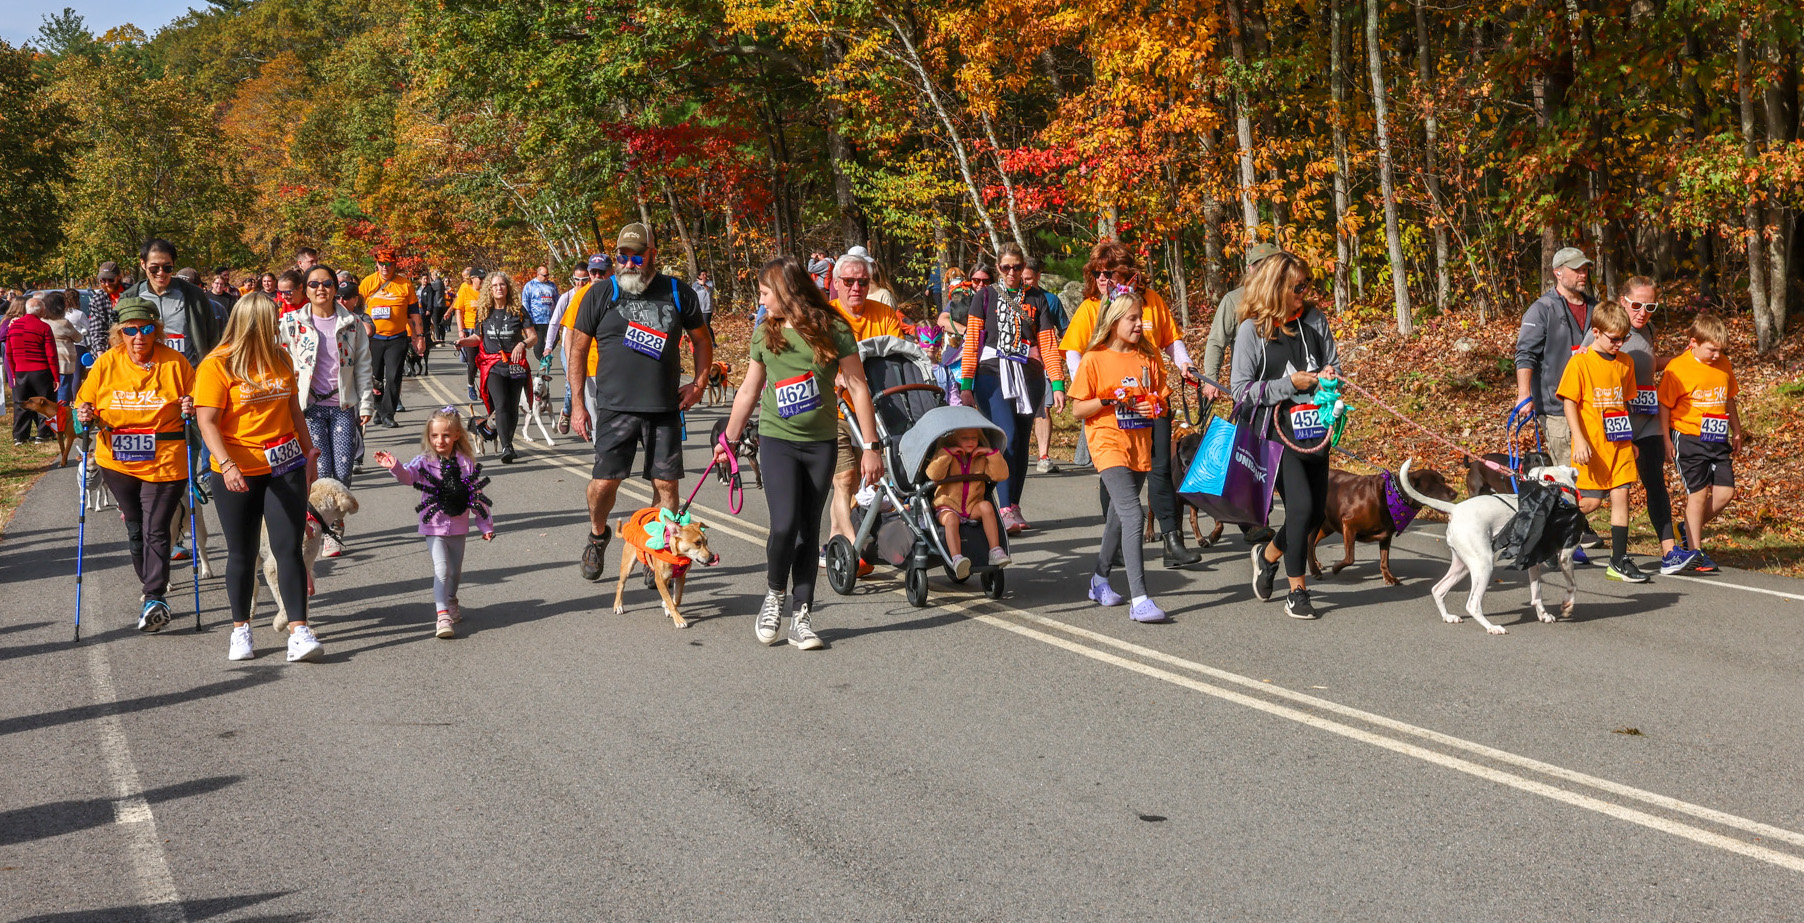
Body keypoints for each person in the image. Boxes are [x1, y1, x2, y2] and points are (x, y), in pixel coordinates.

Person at [712, 255, 881, 650]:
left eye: (766, 292)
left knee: (809, 529)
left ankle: (802, 614)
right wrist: (729, 442)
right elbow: (749, 391)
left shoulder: (834, 329)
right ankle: (774, 596)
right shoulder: (764, 335)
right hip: (778, 441)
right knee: (784, 525)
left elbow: (858, 388)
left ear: (787, 292)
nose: (762, 300)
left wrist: (871, 447)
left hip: (821, 444)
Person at [566, 223, 712, 582]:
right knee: (603, 485)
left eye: (636, 255)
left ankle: (657, 553)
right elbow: (578, 350)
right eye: (622, 256)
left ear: (652, 255)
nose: (629, 263)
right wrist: (577, 405)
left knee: (666, 489)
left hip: (664, 408)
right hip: (614, 407)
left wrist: (699, 383)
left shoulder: (678, 292)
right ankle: (598, 535)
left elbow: (702, 341)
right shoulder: (600, 293)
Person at [192, 293, 323, 663]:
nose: (277, 326)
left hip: (286, 466)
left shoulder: (280, 357)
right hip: (237, 472)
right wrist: (227, 464)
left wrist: (309, 452)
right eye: (271, 321)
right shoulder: (216, 365)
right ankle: (240, 630)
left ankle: (299, 631)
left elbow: (293, 410)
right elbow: (207, 422)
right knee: (243, 553)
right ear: (254, 323)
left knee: (288, 549)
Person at [1060, 241, 1203, 568]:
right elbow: (1073, 351)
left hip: (1154, 398)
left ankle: (1172, 541)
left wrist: (1185, 364)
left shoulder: (1151, 302)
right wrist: (1088, 387)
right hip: (1114, 405)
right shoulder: (1092, 307)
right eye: (1096, 272)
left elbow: (1171, 339)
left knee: (1161, 469)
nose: (1101, 278)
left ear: (1125, 271)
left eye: (1107, 272)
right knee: (1118, 471)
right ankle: (1120, 540)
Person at [74, 297, 196, 630]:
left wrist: (190, 405)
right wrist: (83, 414)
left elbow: (197, 403)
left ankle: (155, 596)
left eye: (145, 329)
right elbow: (81, 409)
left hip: (166, 460)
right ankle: (151, 591)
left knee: (157, 528)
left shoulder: (175, 363)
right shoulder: (106, 364)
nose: (139, 337)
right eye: (130, 330)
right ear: (119, 333)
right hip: (118, 460)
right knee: (135, 528)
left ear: (156, 331)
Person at [1233, 252, 1338, 620]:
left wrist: (1329, 376)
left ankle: (1269, 555)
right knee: (1300, 509)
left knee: (1313, 517)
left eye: (1307, 285)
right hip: (1274, 437)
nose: (1305, 292)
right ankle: (1297, 591)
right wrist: (1287, 384)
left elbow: (1334, 366)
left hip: (1315, 431)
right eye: (1299, 286)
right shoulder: (1252, 330)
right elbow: (1241, 392)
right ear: (1276, 287)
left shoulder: (1314, 320)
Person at [1069, 290, 1172, 623]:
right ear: (1114, 322)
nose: (1139, 325)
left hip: (1139, 446)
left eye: (1141, 318)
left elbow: (1162, 403)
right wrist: (1109, 399)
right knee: (1133, 516)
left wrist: (1151, 406)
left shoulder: (1148, 357)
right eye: (1132, 319)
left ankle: (1099, 579)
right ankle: (1139, 599)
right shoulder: (1094, 359)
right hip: (1107, 443)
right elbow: (1077, 409)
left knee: (1117, 516)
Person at [956, 244, 1068, 533]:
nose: (1012, 272)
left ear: (1024, 268)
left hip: (1028, 374)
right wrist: (966, 385)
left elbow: (1048, 344)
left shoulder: (1038, 299)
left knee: (1021, 442)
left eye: (1017, 267)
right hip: (991, 371)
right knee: (1006, 435)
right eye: (1006, 267)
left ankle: (1013, 505)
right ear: (998, 268)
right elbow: (972, 343)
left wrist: (1057, 383)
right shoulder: (984, 296)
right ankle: (1002, 508)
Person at [1579, 276, 1681, 575]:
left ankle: (1669, 552)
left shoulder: (1648, 329)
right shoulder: (1603, 335)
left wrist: (1681, 360)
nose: (1642, 312)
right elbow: (1587, 374)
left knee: (1654, 484)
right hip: (1613, 425)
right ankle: (1556, 530)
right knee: (1593, 499)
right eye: (1637, 305)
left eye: (1650, 306)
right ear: (1623, 301)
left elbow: (1646, 363)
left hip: (1645, 420)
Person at [374, 409, 495, 640]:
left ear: (457, 435)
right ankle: (442, 616)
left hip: (459, 527)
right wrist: (394, 465)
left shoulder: (466, 464)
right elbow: (408, 477)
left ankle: (450, 600)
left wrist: (485, 525)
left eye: (446, 435)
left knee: (455, 573)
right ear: (429, 437)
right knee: (442, 570)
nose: (440, 441)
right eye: (435, 436)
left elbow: (477, 495)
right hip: (433, 527)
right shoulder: (425, 461)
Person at [1515, 246, 1603, 560]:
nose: (1582, 274)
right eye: (1576, 269)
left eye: (1585, 269)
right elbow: (1525, 355)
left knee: (1585, 478)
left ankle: (1565, 532)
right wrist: (1524, 395)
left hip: (1594, 406)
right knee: (1568, 475)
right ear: (1558, 272)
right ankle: (1565, 539)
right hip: (1556, 407)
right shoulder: (1542, 309)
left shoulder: (1596, 308)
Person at [1557, 300, 1648, 584]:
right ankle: (1551, 530)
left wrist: (1630, 438)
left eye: (1624, 338)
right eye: (1613, 339)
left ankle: (1618, 560)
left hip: (1618, 445)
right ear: (1596, 332)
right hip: (1591, 446)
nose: (1619, 344)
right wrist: (1580, 440)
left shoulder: (1625, 363)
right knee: (1592, 502)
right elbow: (1569, 404)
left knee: (1622, 494)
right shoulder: (1580, 362)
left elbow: (1623, 405)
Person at [824, 251, 906, 561]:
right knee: (843, 479)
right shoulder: (825, 316)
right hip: (837, 410)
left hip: (876, 412)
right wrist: (838, 375)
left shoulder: (883, 313)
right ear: (836, 284)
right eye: (849, 281)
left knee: (868, 482)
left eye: (862, 281)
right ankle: (843, 546)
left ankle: (837, 543)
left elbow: (897, 354)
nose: (856, 287)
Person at [278, 263, 372, 500]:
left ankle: (336, 529)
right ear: (305, 289)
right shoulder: (291, 323)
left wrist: (366, 404)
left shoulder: (353, 323)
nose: (321, 289)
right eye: (314, 284)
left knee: (342, 474)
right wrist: (289, 373)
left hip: (343, 407)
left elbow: (362, 365)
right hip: (308, 409)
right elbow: (275, 356)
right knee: (321, 472)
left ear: (335, 288)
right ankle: (320, 530)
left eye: (328, 283)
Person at [1658, 313, 1742, 576]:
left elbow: (1729, 398)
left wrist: (1736, 430)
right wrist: (1665, 440)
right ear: (1693, 342)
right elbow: (1664, 405)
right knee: (1698, 494)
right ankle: (1695, 550)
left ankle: (1687, 528)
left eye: (1721, 350)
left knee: (1725, 493)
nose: (1717, 355)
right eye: (1712, 349)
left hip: (1717, 438)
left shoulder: (1723, 364)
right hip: (1689, 437)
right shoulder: (1677, 368)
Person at [461, 271, 537, 463]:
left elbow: (533, 336)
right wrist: (463, 341)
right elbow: (478, 338)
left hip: (516, 365)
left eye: (502, 284)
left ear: (508, 287)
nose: (498, 288)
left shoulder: (518, 310)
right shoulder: (484, 311)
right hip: (493, 366)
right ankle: (506, 446)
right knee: (501, 405)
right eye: (494, 285)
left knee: (512, 407)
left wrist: (523, 344)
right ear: (489, 289)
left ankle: (507, 441)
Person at [925, 428, 1011, 580]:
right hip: (947, 506)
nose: (970, 442)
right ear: (953, 439)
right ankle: (957, 558)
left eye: (974, 438)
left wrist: (991, 454)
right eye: (965, 438)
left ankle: (995, 550)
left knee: (986, 506)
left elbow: (1001, 475)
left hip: (972, 505)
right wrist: (947, 454)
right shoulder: (946, 455)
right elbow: (933, 474)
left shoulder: (981, 458)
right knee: (951, 519)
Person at [123, 239, 222, 367]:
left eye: (167, 267)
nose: (161, 273)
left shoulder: (194, 295)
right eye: (154, 268)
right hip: (146, 378)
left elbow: (212, 338)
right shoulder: (130, 297)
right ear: (143, 264)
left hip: (188, 376)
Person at [359, 246, 425, 428]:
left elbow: (414, 314)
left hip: (397, 337)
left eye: (388, 264)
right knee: (375, 377)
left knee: (394, 375)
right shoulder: (368, 283)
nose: (385, 267)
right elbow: (356, 310)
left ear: (395, 264)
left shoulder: (405, 284)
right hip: (374, 339)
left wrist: (419, 337)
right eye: (381, 264)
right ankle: (379, 409)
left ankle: (388, 414)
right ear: (377, 264)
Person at [1025, 257, 1070, 474]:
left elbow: (1065, 331)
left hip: (1044, 363)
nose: (1024, 282)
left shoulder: (1050, 300)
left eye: (1029, 279)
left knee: (1043, 409)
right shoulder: (1006, 298)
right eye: (1021, 278)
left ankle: (1043, 455)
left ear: (1038, 276)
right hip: (1017, 364)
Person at [545, 258, 599, 434]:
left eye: (584, 280)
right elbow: (555, 324)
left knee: (591, 390)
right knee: (572, 382)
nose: (580, 283)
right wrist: (548, 346)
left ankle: (591, 421)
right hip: (570, 347)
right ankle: (567, 412)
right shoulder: (567, 297)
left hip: (592, 349)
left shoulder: (595, 295)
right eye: (577, 279)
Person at [6, 296, 59, 444]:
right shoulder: (44, 327)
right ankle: (43, 434)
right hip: (41, 370)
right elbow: (51, 354)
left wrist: (13, 371)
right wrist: (56, 377)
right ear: (41, 310)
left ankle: (20, 436)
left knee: (21, 404)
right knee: (44, 402)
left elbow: (9, 352)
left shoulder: (14, 326)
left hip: (21, 370)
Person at [452, 267, 483, 402]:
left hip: (484, 329)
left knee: (486, 362)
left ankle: (485, 390)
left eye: (484, 278)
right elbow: (458, 310)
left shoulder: (487, 291)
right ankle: (471, 385)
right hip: (470, 328)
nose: (482, 281)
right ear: (473, 279)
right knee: (473, 362)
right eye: (480, 278)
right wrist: (461, 330)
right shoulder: (465, 289)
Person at [520, 265, 558, 361]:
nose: (547, 278)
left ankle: (546, 353)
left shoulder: (552, 285)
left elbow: (557, 301)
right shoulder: (530, 285)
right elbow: (525, 303)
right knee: (539, 342)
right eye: (544, 275)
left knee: (556, 337)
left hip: (550, 319)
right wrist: (528, 319)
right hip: (537, 319)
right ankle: (542, 360)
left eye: (548, 275)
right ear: (538, 274)